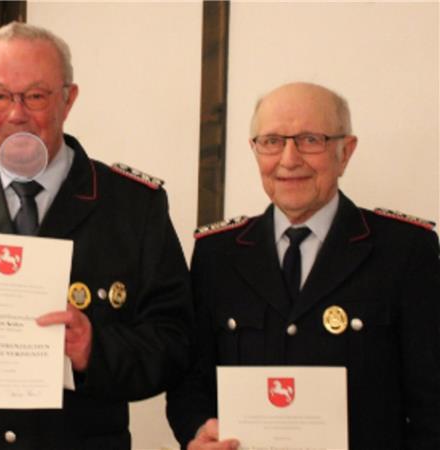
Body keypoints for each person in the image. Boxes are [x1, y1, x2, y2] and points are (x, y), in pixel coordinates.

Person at [0, 22, 193, 449]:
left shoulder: (133, 205)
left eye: (36, 96)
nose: (17, 113)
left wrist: (94, 349)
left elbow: (175, 340)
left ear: (68, 99)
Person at [166, 82, 440, 450]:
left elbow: (432, 405)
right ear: (255, 150)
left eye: (311, 140)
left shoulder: (405, 251)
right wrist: (198, 432)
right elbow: (189, 381)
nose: (289, 159)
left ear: (346, 152)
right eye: (272, 141)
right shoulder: (217, 254)